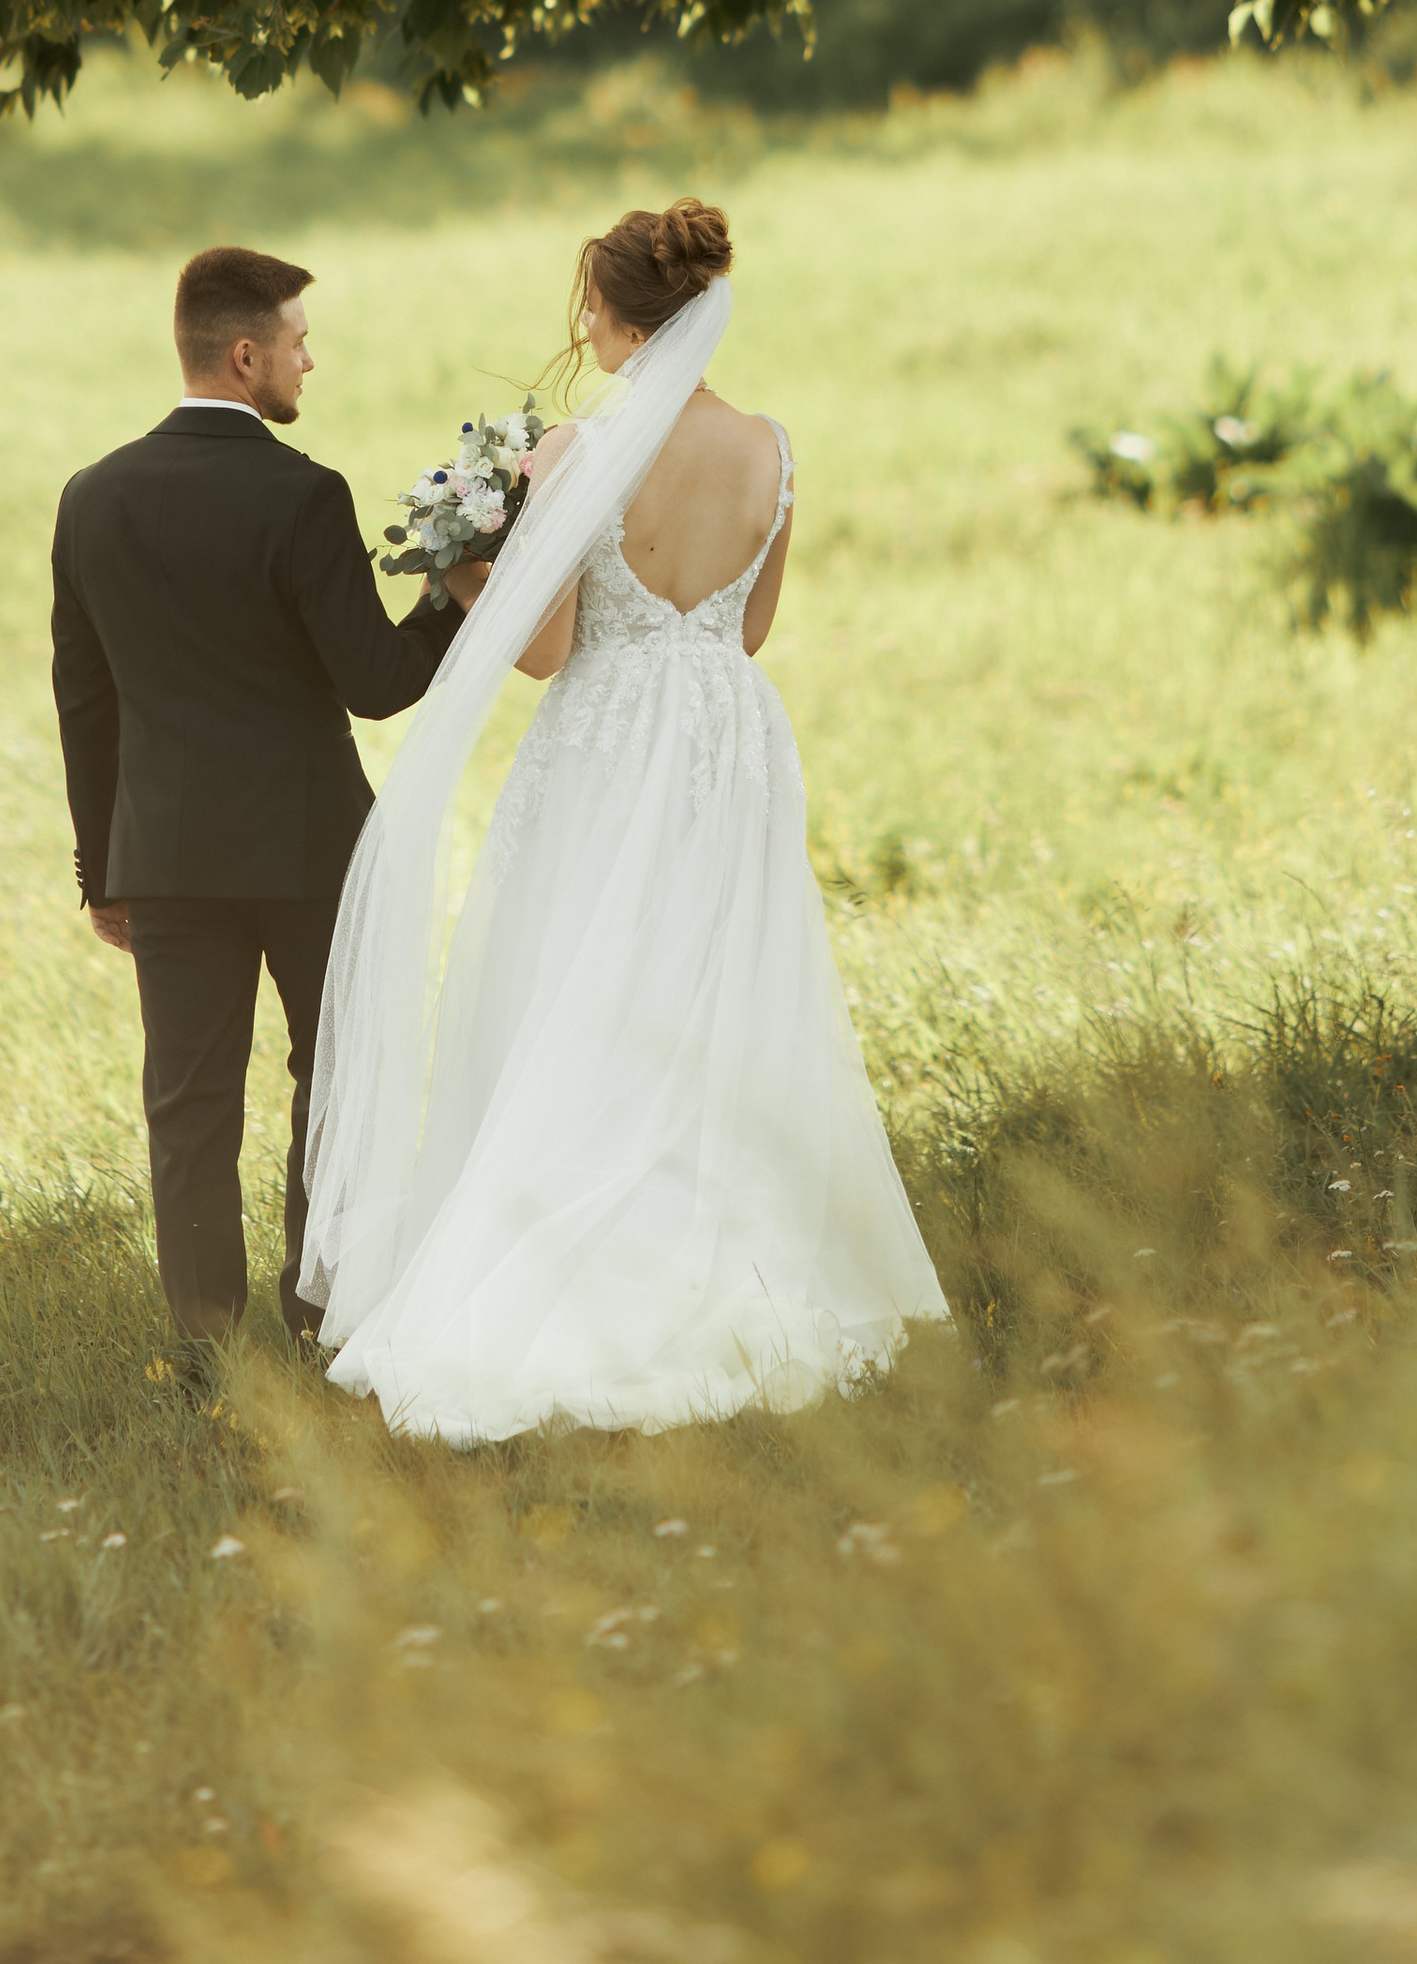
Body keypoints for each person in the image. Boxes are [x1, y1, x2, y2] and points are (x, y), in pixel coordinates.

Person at [302, 199, 950, 1440]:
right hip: (725, 737)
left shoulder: (579, 455)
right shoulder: (769, 448)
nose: (584, 333)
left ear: (620, 319)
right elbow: (748, 631)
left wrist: (465, 565)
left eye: (589, 313)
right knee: (710, 979)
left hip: (607, 735)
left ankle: (569, 1248)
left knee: (581, 975)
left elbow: (545, 650)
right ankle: (728, 1242)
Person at [50, 244, 472, 1352]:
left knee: (187, 1105)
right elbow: (375, 684)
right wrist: (453, 590)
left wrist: (104, 870)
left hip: (166, 855)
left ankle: (207, 1351)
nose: (308, 363)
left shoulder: (92, 497)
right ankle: (318, 1316)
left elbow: (84, 704)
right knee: (331, 1077)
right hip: (308, 848)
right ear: (245, 357)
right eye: (297, 343)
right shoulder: (302, 494)